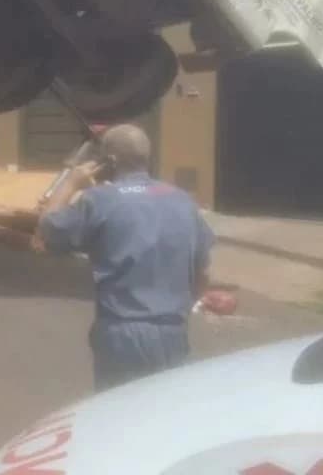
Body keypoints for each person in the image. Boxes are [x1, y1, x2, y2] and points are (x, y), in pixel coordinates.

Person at [32, 124, 214, 392]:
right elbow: (203, 273)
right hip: (174, 331)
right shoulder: (183, 201)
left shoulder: (99, 200)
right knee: (165, 413)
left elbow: (47, 229)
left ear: (110, 161)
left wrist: (70, 183)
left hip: (123, 333)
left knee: (119, 416)